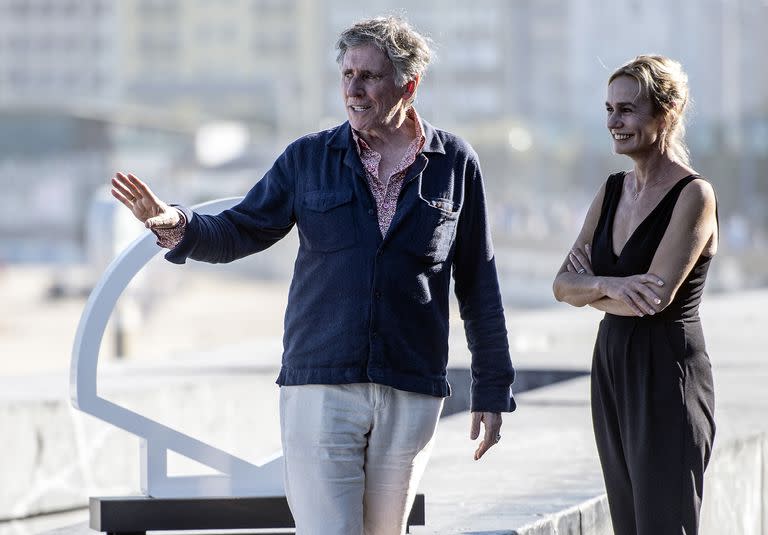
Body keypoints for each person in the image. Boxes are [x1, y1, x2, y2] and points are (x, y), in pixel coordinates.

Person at [111, 16, 515, 535]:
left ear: (408, 85)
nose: (354, 88)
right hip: (320, 385)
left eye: (369, 76)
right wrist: (176, 224)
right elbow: (240, 229)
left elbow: (479, 282)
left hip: (412, 387)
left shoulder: (455, 163)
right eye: (347, 74)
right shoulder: (307, 158)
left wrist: (491, 386)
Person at [552, 55, 717, 535]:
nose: (613, 122)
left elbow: (654, 299)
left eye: (627, 109)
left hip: (668, 372)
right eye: (608, 109)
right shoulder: (611, 191)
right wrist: (610, 285)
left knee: (666, 525)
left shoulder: (694, 195)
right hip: (612, 366)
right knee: (627, 522)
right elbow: (562, 284)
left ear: (666, 114)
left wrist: (593, 289)